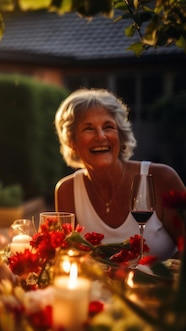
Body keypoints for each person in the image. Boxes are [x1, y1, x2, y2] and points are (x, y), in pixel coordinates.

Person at [54, 88, 185, 260]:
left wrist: (163, 280)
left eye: (108, 127)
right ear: (72, 142)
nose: (101, 137)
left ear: (121, 136)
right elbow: (66, 258)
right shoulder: (66, 191)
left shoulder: (161, 178)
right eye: (88, 129)